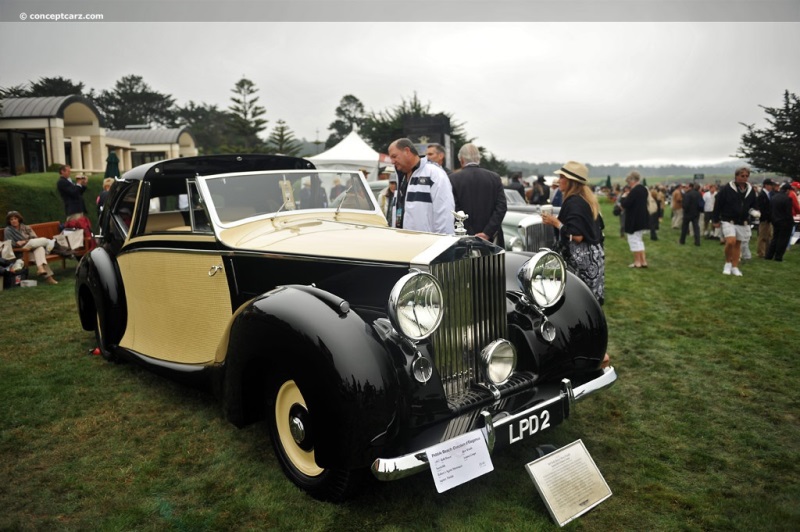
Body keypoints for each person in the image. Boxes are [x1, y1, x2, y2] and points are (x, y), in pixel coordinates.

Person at [540, 161, 605, 304]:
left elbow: (577, 236)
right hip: (593, 257)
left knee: (579, 302)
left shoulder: (574, 202)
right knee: (590, 302)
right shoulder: (585, 199)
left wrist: (555, 222)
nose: (559, 180)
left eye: (562, 177)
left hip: (580, 261)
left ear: (571, 182)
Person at [387, 138, 455, 234]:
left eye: (394, 156)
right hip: (402, 243)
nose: (392, 161)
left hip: (427, 245)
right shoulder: (400, 177)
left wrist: (443, 245)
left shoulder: (434, 174)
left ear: (407, 151)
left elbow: (444, 214)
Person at [450, 143, 507, 247]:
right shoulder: (494, 178)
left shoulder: (453, 179)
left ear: (461, 160)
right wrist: (487, 233)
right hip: (492, 240)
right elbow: (501, 207)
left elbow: (454, 208)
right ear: (478, 159)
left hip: (463, 240)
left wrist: (471, 234)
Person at [712, 167, 758, 276]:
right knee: (731, 241)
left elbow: (753, 205)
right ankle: (727, 263)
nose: (744, 178)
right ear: (736, 176)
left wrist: (755, 212)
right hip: (729, 219)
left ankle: (735, 266)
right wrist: (715, 219)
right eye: (742, 176)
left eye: (746, 176)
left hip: (743, 221)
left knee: (738, 244)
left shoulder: (750, 190)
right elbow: (718, 204)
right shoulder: (727, 189)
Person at [3, 210, 58, 284]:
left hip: (31, 249)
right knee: (35, 243)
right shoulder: (8, 230)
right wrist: (17, 243)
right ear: (9, 221)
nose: (13, 221)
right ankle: (47, 241)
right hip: (22, 252)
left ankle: (41, 269)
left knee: (40, 249)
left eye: (15, 219)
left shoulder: (26, 227)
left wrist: (24, 241)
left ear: (19, 219)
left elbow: (35, 238)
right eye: (11, 219)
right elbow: (8, 244)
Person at [620, 171, 650, 268]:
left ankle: (637, 262)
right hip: (642, 218)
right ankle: (643, 261)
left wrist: (624, 197)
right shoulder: (644, 189)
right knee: (639, 240)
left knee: (633, 240)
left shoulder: (635, 191)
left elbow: (625, 204)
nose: (628, 184)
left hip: (634, 219)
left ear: (633, 180)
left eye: (629, 181)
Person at [765, 183, 794, 262]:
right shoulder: (787, 199)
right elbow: (788, 213)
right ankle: (778, 256)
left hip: (775, 221)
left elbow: (770, 210)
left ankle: (769, 255)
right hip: (785, 222)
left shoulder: (774, 197)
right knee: (783, 240)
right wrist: (791, 222)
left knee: (775, 238)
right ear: (787, 190)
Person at [756, 178, 776, 257]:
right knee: (763, 236)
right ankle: (761, 252)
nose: (771, 187)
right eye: (770, 185)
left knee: (769, 236)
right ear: (766, 185)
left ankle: (767, 252)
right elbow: (762, 208)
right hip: (764, 219)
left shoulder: (769, 194)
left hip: (769, 219)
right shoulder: (762, 195)